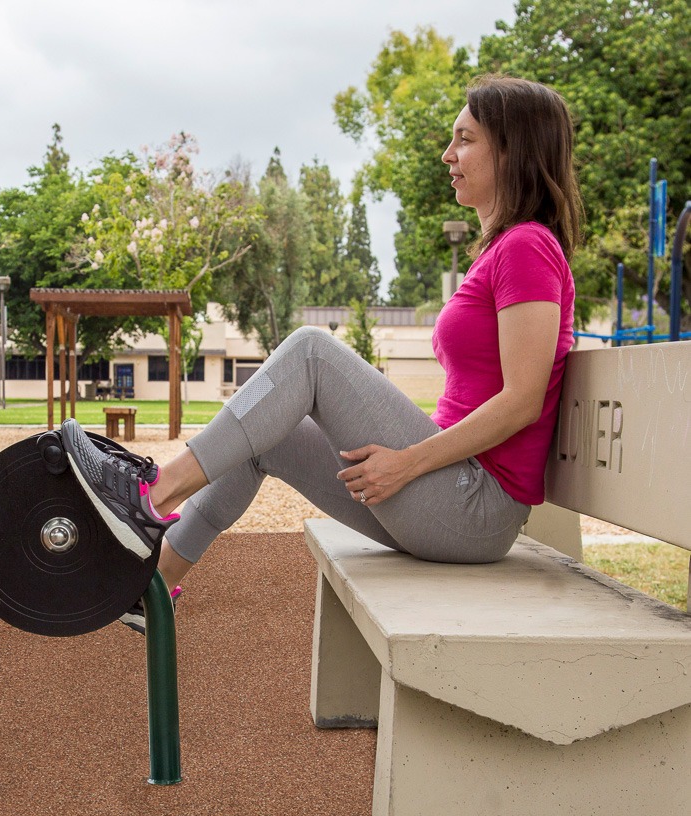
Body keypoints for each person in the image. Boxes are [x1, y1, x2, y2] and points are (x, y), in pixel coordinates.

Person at [61, 73, 581, 635]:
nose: (447, 153)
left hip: (474, 510)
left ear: (512, 151)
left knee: (311, 351)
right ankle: (153, 583)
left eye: (465, 139)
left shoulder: (528, 246)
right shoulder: (504, 250)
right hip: (449, 495)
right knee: (269, 433)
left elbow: (523, 400)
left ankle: (151, 496)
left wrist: (407, 463)